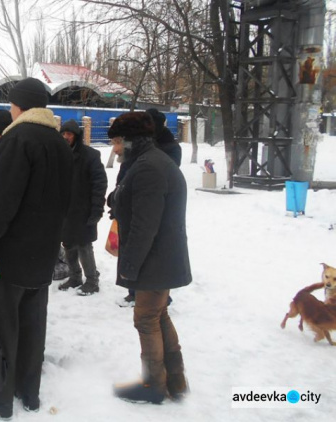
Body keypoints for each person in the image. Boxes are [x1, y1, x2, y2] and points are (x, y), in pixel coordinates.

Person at [0, 78, 73, 419]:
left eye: (11, 106)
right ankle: (28, 392)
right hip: (43, 256)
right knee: (32, 327)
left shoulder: (16, 140)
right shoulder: (59, 144)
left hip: (7, 258)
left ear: (19, 107)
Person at [107, 112, 191, 404]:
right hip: (161, 256)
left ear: (129, 140)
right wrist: (117, 198)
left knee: (145, 319)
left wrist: (129, 267)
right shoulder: (146, 163)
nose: (115, 149)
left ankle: (154, 385)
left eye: (117, 142)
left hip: (155, 258)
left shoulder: (148, 168)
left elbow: (145, 225)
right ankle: (175, 380)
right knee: (158, 315)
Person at [122, 109, 181, 305]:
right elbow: (125, 169)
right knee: (135, 245)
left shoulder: (166, 148)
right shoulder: (137, 146)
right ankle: (135, 290)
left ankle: (158, 294)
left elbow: (160, 178)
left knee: (152, 247)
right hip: (133, 200)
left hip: (154, 204)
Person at [57, 119, 108, 296]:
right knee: (68, 244)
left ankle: (92, 280)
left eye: (69, 134)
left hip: (84, 209)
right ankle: (75, 277)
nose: (65, 137)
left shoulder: (90, 155)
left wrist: (97, 209)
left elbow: (99, 183)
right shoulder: (59, 155)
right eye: (63, 134)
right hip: (65, 210)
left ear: (76, 136)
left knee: (84, 245)